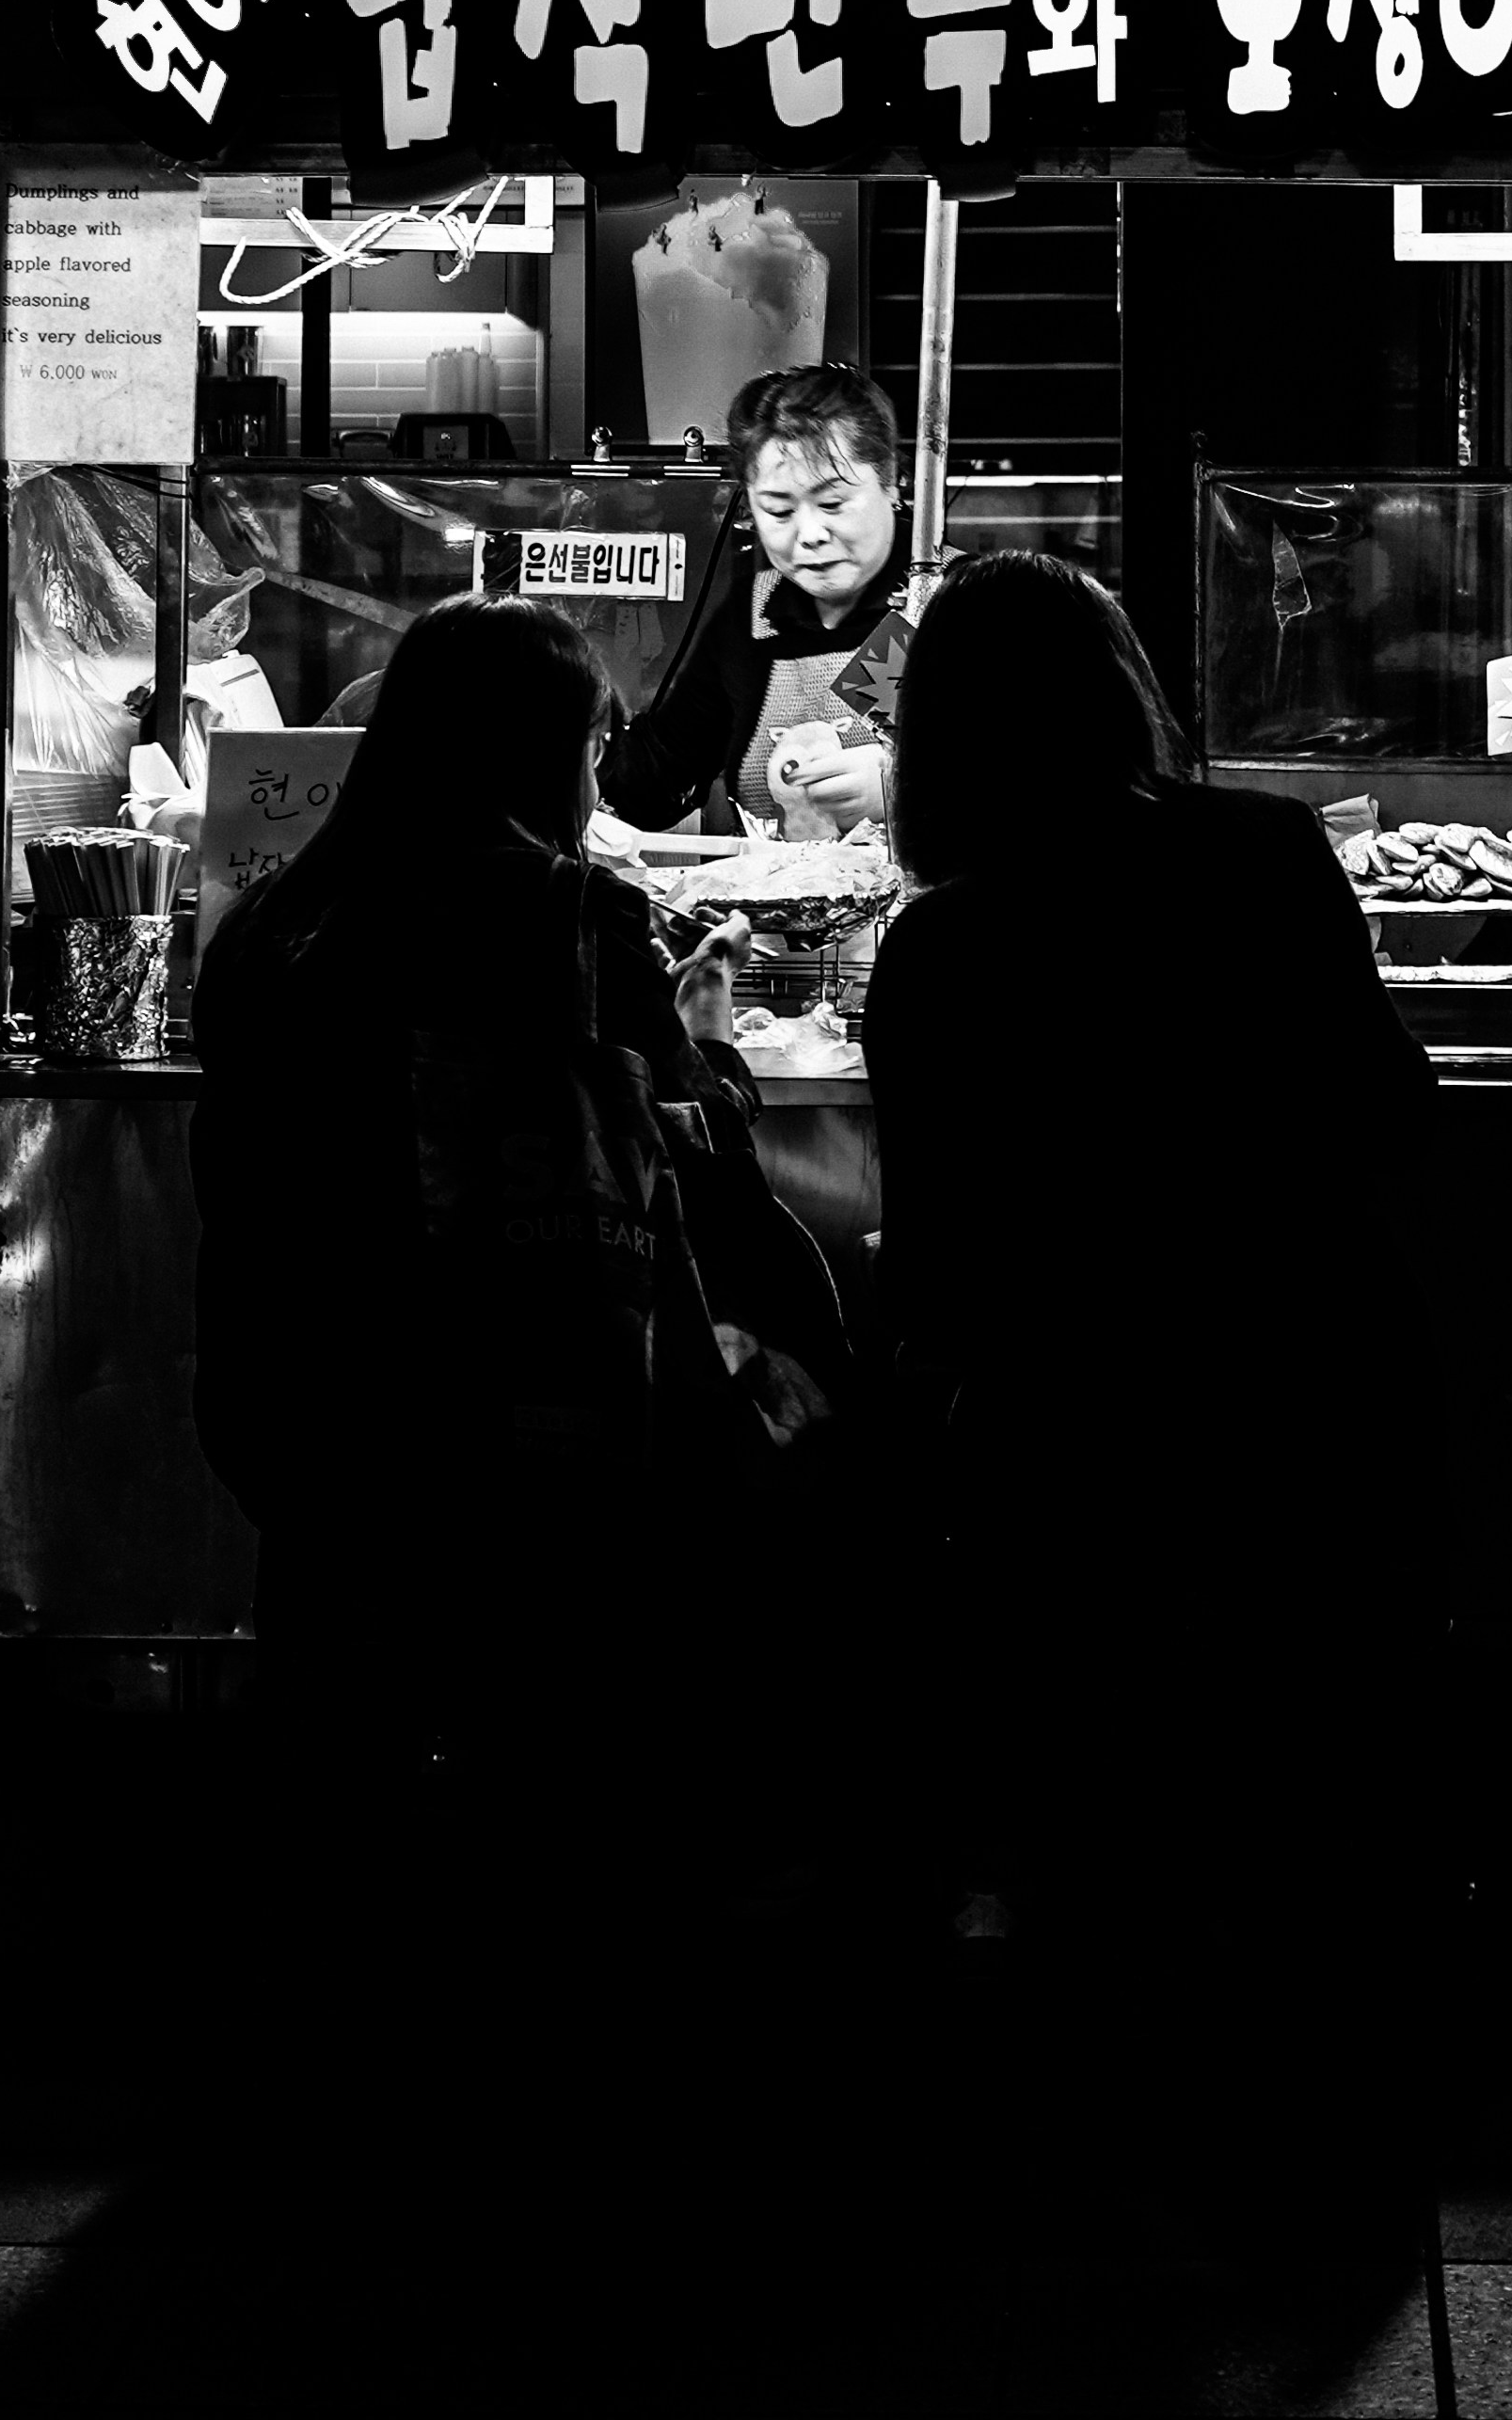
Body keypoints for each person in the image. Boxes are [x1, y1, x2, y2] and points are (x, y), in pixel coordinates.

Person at [189, 597, 853, 1891]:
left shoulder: (272, 923)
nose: (598, 779)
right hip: (515, 1405)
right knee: (543, 1730)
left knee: (340, 1712)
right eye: (593, 749)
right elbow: (683, 1143)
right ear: (545, 753)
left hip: (300, 1394)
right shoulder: (575, 916)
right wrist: (708, 1035)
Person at [865, 556, 1439, 1962]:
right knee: (1278, 1820)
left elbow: (932, 1273)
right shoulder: (1269, 850)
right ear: (1120, 691)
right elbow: (1389, 1111)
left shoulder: (938, 944)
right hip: (1292, 1406)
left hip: (1063, 1447)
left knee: (1101, 1842)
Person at [600, 359, 921, 837]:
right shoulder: (754, 618)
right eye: (779, 510)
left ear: (891, 480)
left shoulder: (954, 604)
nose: (810, 534)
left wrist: (910, 788)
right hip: (773, 887)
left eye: (832, 503)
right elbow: (653, 785)